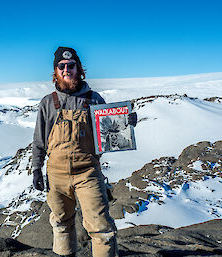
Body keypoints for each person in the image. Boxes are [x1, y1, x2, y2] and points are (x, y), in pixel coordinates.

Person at [32, 47, 137, 257]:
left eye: (71, 66)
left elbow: (110, 134)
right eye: (61, 66)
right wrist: (36, 168)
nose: (66, 69)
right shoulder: (48, 102)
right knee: (61, 223)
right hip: (56, 174)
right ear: (56, 71)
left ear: (79, 69)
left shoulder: (94, 100)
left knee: (102, 229)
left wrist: (126, 123)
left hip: (88, 172)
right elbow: (39, 141)